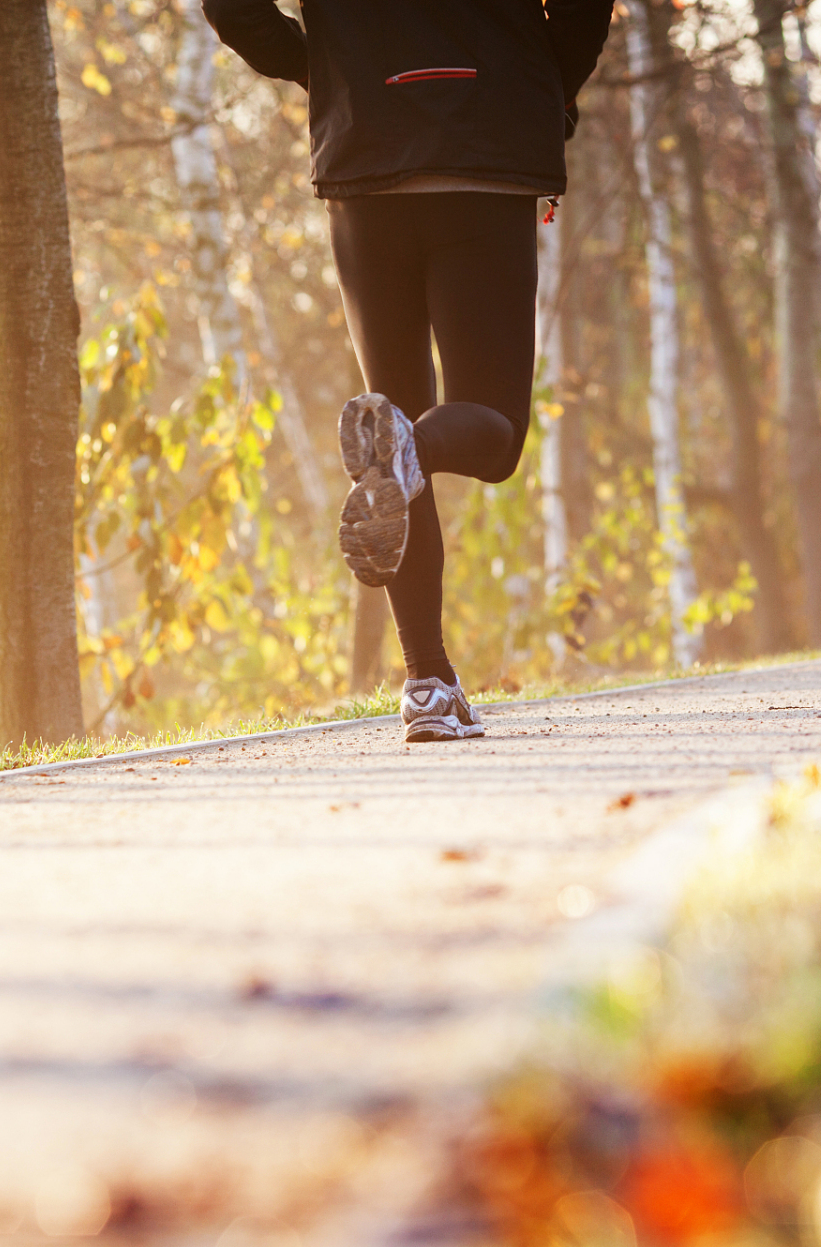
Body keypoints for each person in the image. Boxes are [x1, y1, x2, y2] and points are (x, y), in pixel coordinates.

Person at [205, 0, 616, 743]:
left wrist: (330, 67)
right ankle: (406, 447)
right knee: (492, 433)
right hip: (486, 152)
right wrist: (542, 82)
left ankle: (426, 682)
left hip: (366, 159)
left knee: (392, 433)